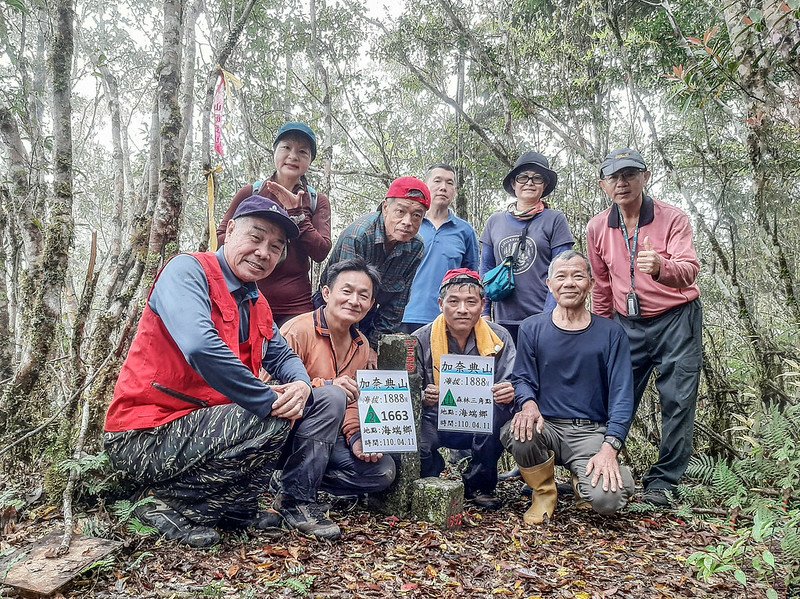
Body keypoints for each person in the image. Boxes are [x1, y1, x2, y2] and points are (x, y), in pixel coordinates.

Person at [104, 197, 342, 547]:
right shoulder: (187, 271)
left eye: (276, 248)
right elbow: (201, 347)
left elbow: (283, 357)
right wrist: (267, 399)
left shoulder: (256, 301)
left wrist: (303, 387)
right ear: (229, 231)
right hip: (146, 434)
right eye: (255, 238)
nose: (263, 253)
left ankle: (237, 506)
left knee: (319, 401)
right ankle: (165, 501)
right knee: (271, 415)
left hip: (206, 428)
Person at [586, 148, 702, 507]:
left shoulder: (672, 218)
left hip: (676, 319)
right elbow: (602, 285)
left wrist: (661, 268)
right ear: (604, 184)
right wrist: (601, 332)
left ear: (644, 177)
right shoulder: (597, 227)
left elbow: (690, 269)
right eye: (614, 177)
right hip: (625, 324)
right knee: (616, 397)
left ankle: (663, 483)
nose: (622, 183)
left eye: (629, 175)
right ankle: (602, 469)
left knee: (678, 400)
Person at [501, 251, 636, 524]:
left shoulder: (611, 333)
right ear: (549, 284)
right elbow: (522, 378)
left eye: (577, 276)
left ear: (591, 283)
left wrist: (610, 448)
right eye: (561, 277)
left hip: (590, 432)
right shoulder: (532, 328)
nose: (569, 283)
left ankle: (597, 478)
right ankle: (543, 492)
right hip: (546, 425)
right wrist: (528, 405)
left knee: (607, 500)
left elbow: (623, 394)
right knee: (519, 431)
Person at [278, 258, 396, 537]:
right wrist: (325, 385)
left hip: (328, 440)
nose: (354, 300)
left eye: (363, 295)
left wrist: (356, 437)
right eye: (347, 291)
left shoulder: (361, 345)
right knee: (332, 396)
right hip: (285, 435)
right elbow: (268, 387)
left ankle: (290, 481)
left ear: (371, 304)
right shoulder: (298, 330)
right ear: (327, 293)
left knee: (384, 471)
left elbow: (354, 400)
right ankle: (297, 501)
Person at [413, 269, 516, 510]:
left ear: (482, 304)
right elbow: (408, 392)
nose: (463, 309)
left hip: (480, 419)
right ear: (440, 304)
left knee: (498, 417)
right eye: (453, 301)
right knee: (416, 441)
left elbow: (512, 381)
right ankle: (432, 475)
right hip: (435, 417)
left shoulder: (499, 337)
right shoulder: (420, 339)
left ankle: (478, 485)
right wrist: (423, 397)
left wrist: (508, 391)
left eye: (471, 302)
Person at [217, 122, 331, 327]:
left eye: (303, 152)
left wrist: (298, 215)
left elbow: (321, 251)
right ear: (275, 151)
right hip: (245, 297)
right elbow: (220, 238)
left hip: (295, 306)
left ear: (310, 161)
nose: (293, 156)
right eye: (286, 147)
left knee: (292, 357)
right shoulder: (252, 193)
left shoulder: (316, 201)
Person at [317, 177, 428, 367]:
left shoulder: (415, 247)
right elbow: (343, 299)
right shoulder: (359, 237)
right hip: (333, 311)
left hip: (370, 314)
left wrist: (373, 346)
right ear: (385, 207)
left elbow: (396, 304)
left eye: (417, 216)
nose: (407, 222)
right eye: (400, 211)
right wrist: (358, 346)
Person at [480, 151, 574, 344]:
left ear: (544, 185)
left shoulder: (555, 219)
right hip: (502, 319)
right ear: (514, 184)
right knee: (505, 373)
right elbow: (485, 270)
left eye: (537, 178)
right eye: (523, 177)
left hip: (541, 317)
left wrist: (549, 317)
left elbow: (563, 270)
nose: (530, 182)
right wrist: (484, 313)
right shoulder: (494, 221)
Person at [400, 164, 479, 333]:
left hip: (448, 319)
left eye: (449, 183)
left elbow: (472, 279)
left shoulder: (465, 231)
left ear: (455, 191)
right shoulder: (408, 224)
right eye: (437, 181)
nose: (443, 187)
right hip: (403, 315)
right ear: (426, 186)